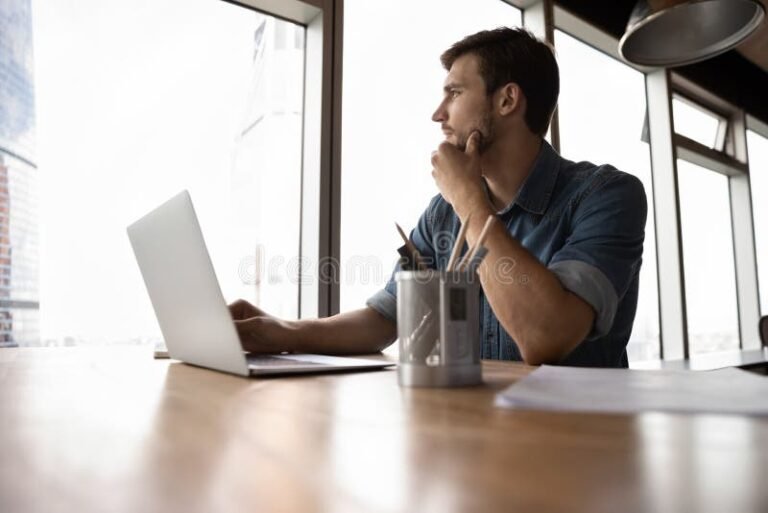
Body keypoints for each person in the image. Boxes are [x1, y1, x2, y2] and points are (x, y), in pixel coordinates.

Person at [230, 27, 647, 368]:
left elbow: (545, 338)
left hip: (580, 449)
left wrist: (470, 201)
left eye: (454, 93)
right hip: (477, 439)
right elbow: (385, 318)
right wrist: (284, 332)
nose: (438, 113)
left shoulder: (607, 196)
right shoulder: (441, 214)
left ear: (507, 100)